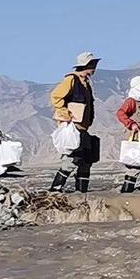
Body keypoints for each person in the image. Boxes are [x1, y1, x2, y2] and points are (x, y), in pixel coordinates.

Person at [49, 52, 100, 193]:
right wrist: (65, 113)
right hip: (74, 127)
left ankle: (81, 191)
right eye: (92, 64)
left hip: (83, 127)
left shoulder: (86, 83)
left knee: (86, 160)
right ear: (86, 65)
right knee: (72, 159)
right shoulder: (71, 80)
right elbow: (56, 96)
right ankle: (55, 189)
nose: (94, 67)